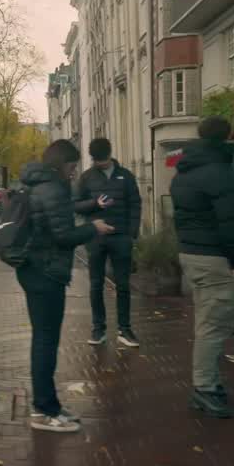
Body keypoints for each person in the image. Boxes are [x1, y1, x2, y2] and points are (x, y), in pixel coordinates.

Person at [18, 139, 114, 433]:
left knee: (43, 339)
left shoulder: (35, 185)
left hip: (33, 269)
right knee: (46, 341)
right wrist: (93, 228)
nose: (74, 172)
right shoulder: (55, 188)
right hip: (47, 271)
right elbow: (63, 235)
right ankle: (44, 411)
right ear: (63, 164)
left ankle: (49, 405)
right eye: (72, 166)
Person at [170, 116, 234, 419]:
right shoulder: (220, 172)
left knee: (206, 322)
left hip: (191, 253)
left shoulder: (182, 172)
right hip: (215, 257)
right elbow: (230, 222)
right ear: (226, 136)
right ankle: (205, 389)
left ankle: (208, 382)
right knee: (214, 327)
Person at [74, 138, 142, 348]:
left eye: (102, 160)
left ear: (110, 155)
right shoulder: (86, 178)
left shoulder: (126, 176)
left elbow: (135, 204)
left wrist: (131, 233)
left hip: (121, 237)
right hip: (96, 237)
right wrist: (95, 203)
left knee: (123, 285)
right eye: (96, 161)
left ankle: (125, 329)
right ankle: (98, 328)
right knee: (96, 285)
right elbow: (76, 205)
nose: (100, 164)